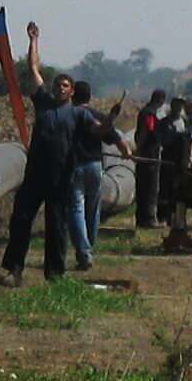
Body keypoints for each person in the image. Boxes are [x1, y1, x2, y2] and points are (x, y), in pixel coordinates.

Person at [0, 77, 79, 282]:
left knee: (56, 225)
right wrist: (33, 44)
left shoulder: (78, 114)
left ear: (72, 91)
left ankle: (55, 274)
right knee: (21, 221)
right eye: (57, 85)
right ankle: (14, 269)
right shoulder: (44, 103)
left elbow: (100, 130)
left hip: (60, 179)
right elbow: (34, 71)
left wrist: (121, 144)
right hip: (35, 175)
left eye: (65, 86)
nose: (60, 88)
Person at [62, 78, 124, 269]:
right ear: (89, 96)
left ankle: (84, 252)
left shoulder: (67, 115)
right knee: (93, 209)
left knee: (76, 209)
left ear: (73, 94)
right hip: (95, 166)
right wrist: (127, 153)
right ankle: (89, 248)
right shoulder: (97, 115)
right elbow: (115, 138)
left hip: (74, 167)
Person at [132, 90, 169, 228]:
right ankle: (148, 219)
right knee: (150, 187)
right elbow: (145, 132)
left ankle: (142, 219)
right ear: (160, 99)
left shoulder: (147, 112)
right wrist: (138, 150)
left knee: (143, 186)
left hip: (147, 153)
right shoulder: (149, 114)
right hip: (148, 155)